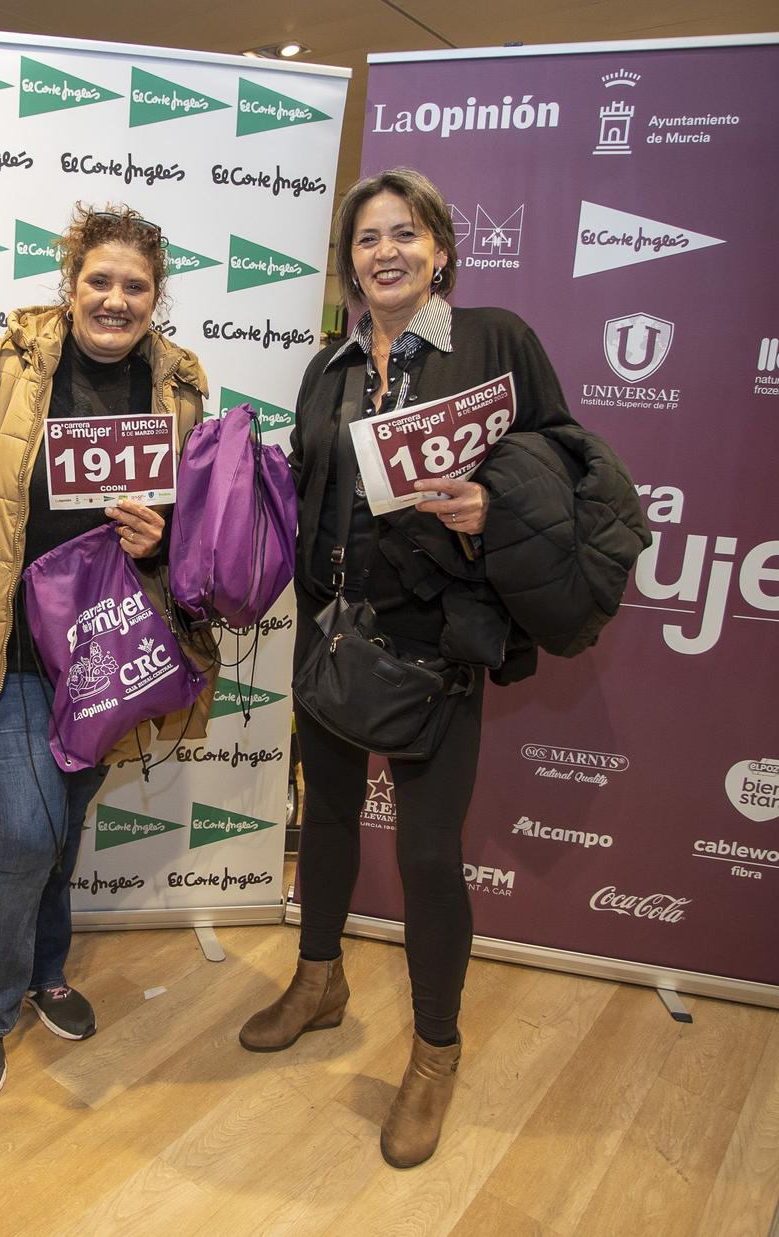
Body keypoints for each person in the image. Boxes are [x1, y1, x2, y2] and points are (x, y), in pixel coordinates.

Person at [243, 168, 578, 1169]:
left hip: (435, 644)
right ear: (346, 261)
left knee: (430, 856)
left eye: (403, 233)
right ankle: (318, 977)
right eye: (364, 239)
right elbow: (306, 489)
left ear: (438, 248)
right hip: (329, 636)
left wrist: (494, 508)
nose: (383, 252)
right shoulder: (326, 368)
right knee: (331, 820)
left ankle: (434, 1050)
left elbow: (560, 458)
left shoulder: (493, 340)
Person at [0, 203, 213, 1101]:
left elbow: (200, 536)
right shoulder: (6, 363)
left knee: (64, 828)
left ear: (155, 297)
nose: (114, 299)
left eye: (134, 285)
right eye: (100, 280)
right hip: (10, 655)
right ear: (71, 282)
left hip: (107, 651)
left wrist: (157, 541)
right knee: (23, 830)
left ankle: (48, 970)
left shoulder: (181, 386)